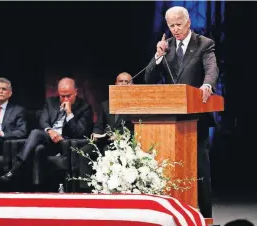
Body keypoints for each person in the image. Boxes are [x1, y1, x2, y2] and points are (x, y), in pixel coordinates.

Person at [144, 6, 219, 218]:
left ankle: (205, 217)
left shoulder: (204, 44)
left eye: (178, 24)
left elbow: (211, 68)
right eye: (171, 26)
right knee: (171, 170)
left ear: (188, 23)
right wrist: (158, 56)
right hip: (170, 120)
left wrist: (207, 85)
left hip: (197, 119)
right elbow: (148, 78)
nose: (175, 29)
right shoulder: (165, 46)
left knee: (200, 171)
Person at [0, 77, 93, 183]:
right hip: (50, 138)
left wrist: (69, 113)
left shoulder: (85, 107)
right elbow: (43, 121)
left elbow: (80, 132)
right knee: (36, 136)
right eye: (62, 96)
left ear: (76, 92)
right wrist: (50, 131)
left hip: (66, 142)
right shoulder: (51, 102)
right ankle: (19, 173)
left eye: (68, 96)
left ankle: (13, 171)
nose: (65, 99)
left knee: (37, 141)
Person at [77, 72, 134, 192]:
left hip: (122, 142)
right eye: (120, 81)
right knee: (83, 152)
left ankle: (108, 189)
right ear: (115, 84)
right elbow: (99, 124)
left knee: (107, 151)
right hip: (103, 139)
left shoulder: (136, 106)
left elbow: (136, 128)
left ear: (132, 85)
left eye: (126, 82)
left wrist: (121, 136)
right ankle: (85, 189)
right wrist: (96, 133)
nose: (123, 84)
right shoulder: (105, 105)